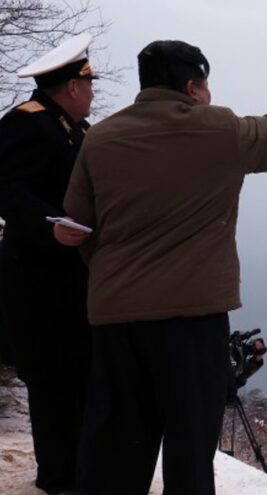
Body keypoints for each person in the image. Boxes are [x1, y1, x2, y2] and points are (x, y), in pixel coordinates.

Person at [55, 40, 267, 495]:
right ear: (192, 87)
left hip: (116, 321)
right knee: (190, 448)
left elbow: (77, 227)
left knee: (117, 447)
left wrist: (113, 278)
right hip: (192, 322)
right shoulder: (219, 130)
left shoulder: (100, 137)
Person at [0, 33, 96, 495]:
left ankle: (81, 470)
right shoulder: (26, 123)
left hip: (74, 279)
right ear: (73, 88)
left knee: (80, 373)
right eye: (89, 86)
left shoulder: (78, 130)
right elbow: (6, 189)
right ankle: (59, 478)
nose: (93, 94)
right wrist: (47, 226)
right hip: (36, 278)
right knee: (53, 378)